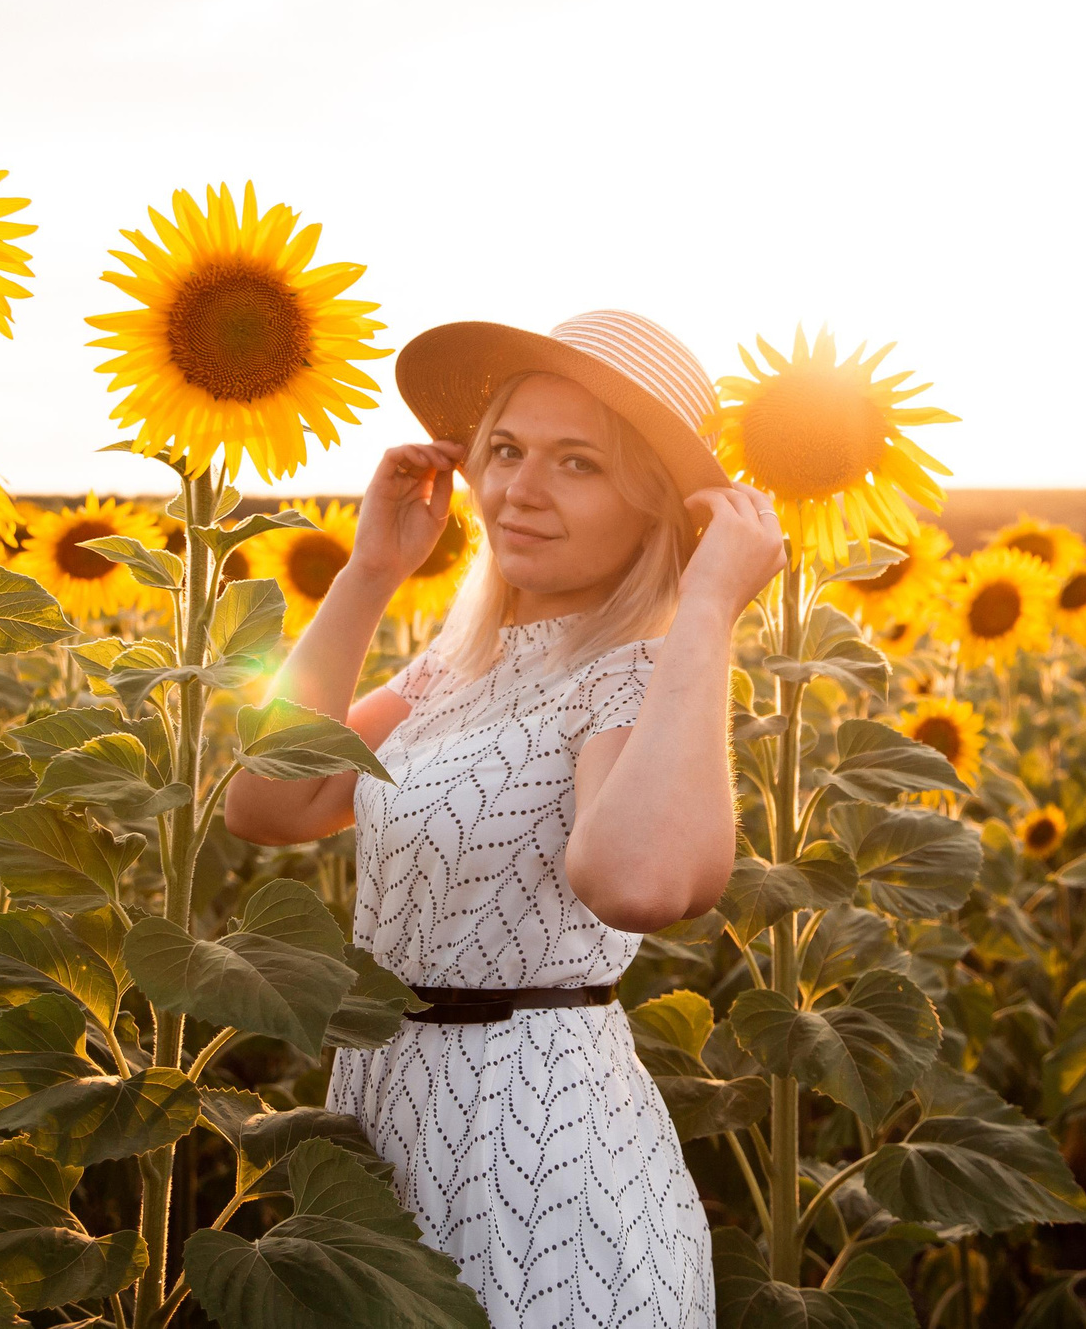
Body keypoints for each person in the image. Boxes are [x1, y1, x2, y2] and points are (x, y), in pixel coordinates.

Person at [226, 309, 785, 1329]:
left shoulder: (635, 676)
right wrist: (368, 571)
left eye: (578, 463)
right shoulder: (454, 669)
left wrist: (705, 607)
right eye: (508, 449)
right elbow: (271, 799)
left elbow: (641, 883)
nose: (520, 489)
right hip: (385, 1111)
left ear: (656, 508)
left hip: (535, 1145)